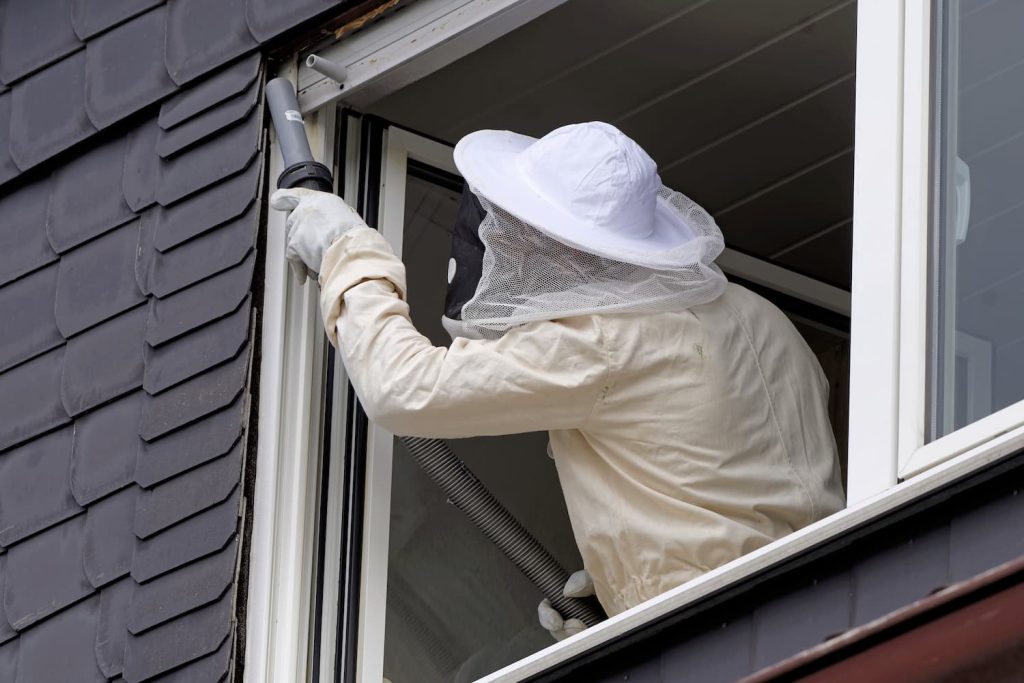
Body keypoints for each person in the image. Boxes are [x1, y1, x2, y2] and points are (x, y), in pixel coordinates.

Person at [271, 121, 845, 640]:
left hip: (718, 633)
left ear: (568, 252)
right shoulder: (760, 316)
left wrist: (345, 250)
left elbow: (403, 389)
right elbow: (734, 495)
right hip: (829, 606)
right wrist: (626, 589)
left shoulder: (604, 338)